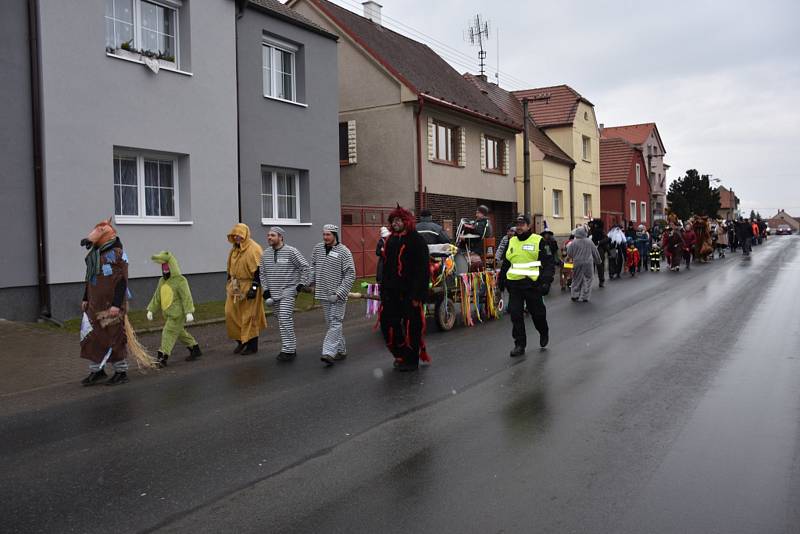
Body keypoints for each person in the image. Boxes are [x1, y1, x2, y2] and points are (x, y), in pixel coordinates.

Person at [79, 218, 131, 386]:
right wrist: (85, 298)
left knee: (114, 337)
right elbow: (89, 279)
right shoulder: (95, 255)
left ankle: (121, 371)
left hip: (111, 307)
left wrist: (117, 304)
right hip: (95, 305)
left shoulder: (118, 254)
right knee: (93, 337)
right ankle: (97, 371)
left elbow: (122, 281)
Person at [379, 205, 430, 372]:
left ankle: (411, 359)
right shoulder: (390, 241)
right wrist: (383, 291)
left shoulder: (416, 241)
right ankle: (400, 355)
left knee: (412, 327)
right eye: (393, 221)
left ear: (406, 221)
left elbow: (422, 270)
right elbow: (386, 268)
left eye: (399, 220)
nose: (395, 224)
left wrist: (417, 295)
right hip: (392, 294)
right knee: (389, 324)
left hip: (410, 294)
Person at [499, 214, 555, 356]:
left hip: (533, 285)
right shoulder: (511, 242)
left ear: (529, 226)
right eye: (517, 224)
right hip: (515, 286)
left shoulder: (539, 241)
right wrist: (501, 280)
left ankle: (543, 331)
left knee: (537, 314)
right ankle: (519, 344)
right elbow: (506, 263)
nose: (519, 227)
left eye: (522, 224)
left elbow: (549, 263)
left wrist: (546, 282)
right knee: (516, 315)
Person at [260, 226, 310, 361]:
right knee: (281, 320)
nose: (269, 237)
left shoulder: (291, 251)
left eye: (273, 235)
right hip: (273, 293)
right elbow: (262, 274)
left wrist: (300, 284)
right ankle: (290, 347)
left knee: (284, 318)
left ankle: (288, 350)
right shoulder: (265, 254)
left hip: (288, 291)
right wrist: (266, 291)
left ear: (281, 237)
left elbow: (305, 267)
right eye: (268, 235)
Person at [310, 224, 356, 367]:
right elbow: (313, 266)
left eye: (328, 235)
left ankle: (329, 352)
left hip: (337, 296)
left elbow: (350, 274)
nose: (325, 237)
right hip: (323, 293)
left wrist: (339, 292)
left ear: (335, 235)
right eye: (324, 234)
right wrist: (307, 282)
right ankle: (341, 351)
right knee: (331, 323)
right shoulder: (318, 248)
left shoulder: (344, 251)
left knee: (335, 321)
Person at [146, 251, 201, 367]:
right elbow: (157, 297)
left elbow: (187, 297)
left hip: (178, 314)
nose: (165, 272)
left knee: (168, 332)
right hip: (168, 314)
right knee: (179, 332)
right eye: (164, 270)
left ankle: (162, 357)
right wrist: (151, 309)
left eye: (167, 269)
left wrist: (189, 312)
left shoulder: (180, 280)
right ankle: (195, 349)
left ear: (173, 267)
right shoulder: (161, 281)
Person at [225, 223, 267, 356]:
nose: (237, 237)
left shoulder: (254, 249)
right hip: (236, 286)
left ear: (245, 235)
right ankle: (241, 341)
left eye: (239, 235)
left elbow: (259, 270)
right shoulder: (234, 250)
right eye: (235, 235)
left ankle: (252, 345)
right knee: (231, 313)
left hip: (249, 285)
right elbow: (230, 266)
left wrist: (254, 288)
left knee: (250, 316)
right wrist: (229, 282)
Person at [566, 226, 601, 302]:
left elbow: (569, 253)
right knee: (588, 279)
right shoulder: (589, 241)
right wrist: (598, 261)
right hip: (588, 263)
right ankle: (585, 296)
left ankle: (574, 295)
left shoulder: (573, 242)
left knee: (576, 278)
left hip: (577, 262)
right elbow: (595, 252)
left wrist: (573, 256)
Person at [589, 219, 609, 287]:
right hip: (591, 249)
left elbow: (607, 239)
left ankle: (601, 280)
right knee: (591, 266)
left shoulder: (601, 231)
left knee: (600, 265)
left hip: (599, 249)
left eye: (595, 224)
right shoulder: (590, 231)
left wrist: (599, 242)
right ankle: (590, 281)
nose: (595, 225)